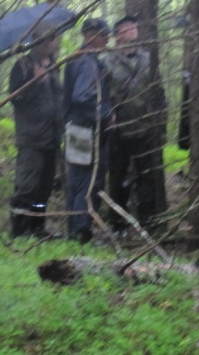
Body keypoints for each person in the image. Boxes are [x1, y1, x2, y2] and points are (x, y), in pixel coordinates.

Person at [103, 16, 164, 234]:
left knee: (146, 178)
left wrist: (160, 125)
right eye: (127, 28)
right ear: (118, 35)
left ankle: (148, 224)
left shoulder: (149, 60)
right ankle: (117, 223)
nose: (133, 31)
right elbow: (102, 96)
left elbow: (158, 93)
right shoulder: (107, 61)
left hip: (145, 129)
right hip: (118, 130)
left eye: (135, 26)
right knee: (118, 178)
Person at [8, 25, 63, 237]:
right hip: (31, 137)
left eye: (52, 39)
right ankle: (19, 231)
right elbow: (15, 99)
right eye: (43, 39)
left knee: (44, 188)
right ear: (34, 40)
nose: (48, 43)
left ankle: (38, 228)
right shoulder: (22, 65)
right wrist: (34, 82)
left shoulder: (56, 65)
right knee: (27, 186)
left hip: (52, 136)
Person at [63, 18, 113, 243]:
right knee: (86, 182)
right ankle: (81, 232)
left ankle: (75, 229)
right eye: (103, 35)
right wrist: (105, 114)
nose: (107, 39)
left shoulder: (76, 60)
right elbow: (81, 96)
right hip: (84, 129)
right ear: (91, 35)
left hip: (75, 127)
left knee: (76, 181)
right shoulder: (87, 63)